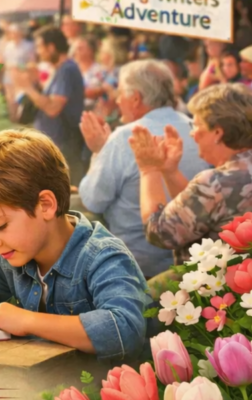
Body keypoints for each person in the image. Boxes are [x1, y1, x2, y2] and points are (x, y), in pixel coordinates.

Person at [0, 130, 148, 361]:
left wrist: (27, 321)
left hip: (98, 390)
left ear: (46, 205)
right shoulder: (11, 256)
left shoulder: (104, 257)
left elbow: (125, 331)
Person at [78, 60, 209, 277]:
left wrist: (99, 151)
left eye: (120, 93)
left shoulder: (126, 137)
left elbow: (92, 199)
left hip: (135, 265)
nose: (117, 100)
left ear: (136, 98)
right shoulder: (196, 129)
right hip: (191, 261)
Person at [129, 83, 252, 263]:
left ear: (217, 132)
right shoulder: (224, 179)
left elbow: (159, 233)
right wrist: (170, 171)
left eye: (196, 125)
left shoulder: (215, 182)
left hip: (217, 287)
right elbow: (200, 209)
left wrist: (149, 169)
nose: (193, 134)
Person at [17, 26, 86, 183]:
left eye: (40, 47)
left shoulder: (67, 69)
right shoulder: (60, 69)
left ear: (51, 47)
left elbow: (53, 108)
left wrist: (27, 88)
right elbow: (51, 99)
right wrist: (37, 83)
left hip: (64, 146)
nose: (38, 52)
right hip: (57, 145)